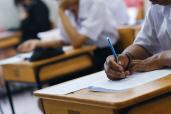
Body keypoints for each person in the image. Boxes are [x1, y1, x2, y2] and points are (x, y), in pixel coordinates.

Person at [17, 0, 129, 70]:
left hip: (107, 54)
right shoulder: (68, 10)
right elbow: (66, 40)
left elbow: (76, 42)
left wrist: (60, 11)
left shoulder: (96, 4)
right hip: (86, 54)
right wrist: (38, 43)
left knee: (62, 78)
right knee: (55, 80)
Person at [104, 0, 171, 80]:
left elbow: (159, 58)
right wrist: (126, 57)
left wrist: (160, 59)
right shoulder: (156, 7)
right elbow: (144, 45)